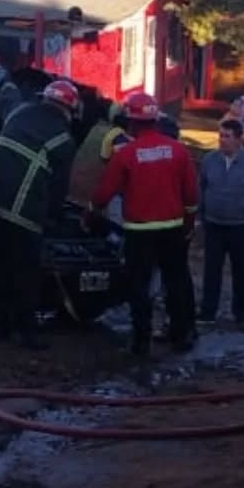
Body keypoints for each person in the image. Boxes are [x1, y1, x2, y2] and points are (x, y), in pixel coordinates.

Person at [91, 92, 198, 356]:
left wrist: (91, 213)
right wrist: (189, 223)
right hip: (172, 228)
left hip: (138, 231)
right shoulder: (178, 150)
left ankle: (141, 340)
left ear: (131, 122)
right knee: (176, 282)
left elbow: (103, 193)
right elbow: (191, 195)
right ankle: (181, 334)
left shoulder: (126, 154)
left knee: (138, 285)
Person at [0, 76, 80, 349]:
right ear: (69, 110)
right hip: (25, 216)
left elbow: (6, 98)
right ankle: (25, 332)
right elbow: (58, 189)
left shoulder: (17, 112)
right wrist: (53, 217)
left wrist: (9, 83)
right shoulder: (64, 139)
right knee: (25, 274)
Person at [198, 119, 244, 328]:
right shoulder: (209, 160)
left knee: (240, 271)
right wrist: (201, 218)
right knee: (211, 270)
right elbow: (201, 188)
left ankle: (241, 312)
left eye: (227, 136)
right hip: (214, 224)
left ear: (238, 139)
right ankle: (208, 312)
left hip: (241, 226)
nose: (222, 140)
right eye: (221, 136)